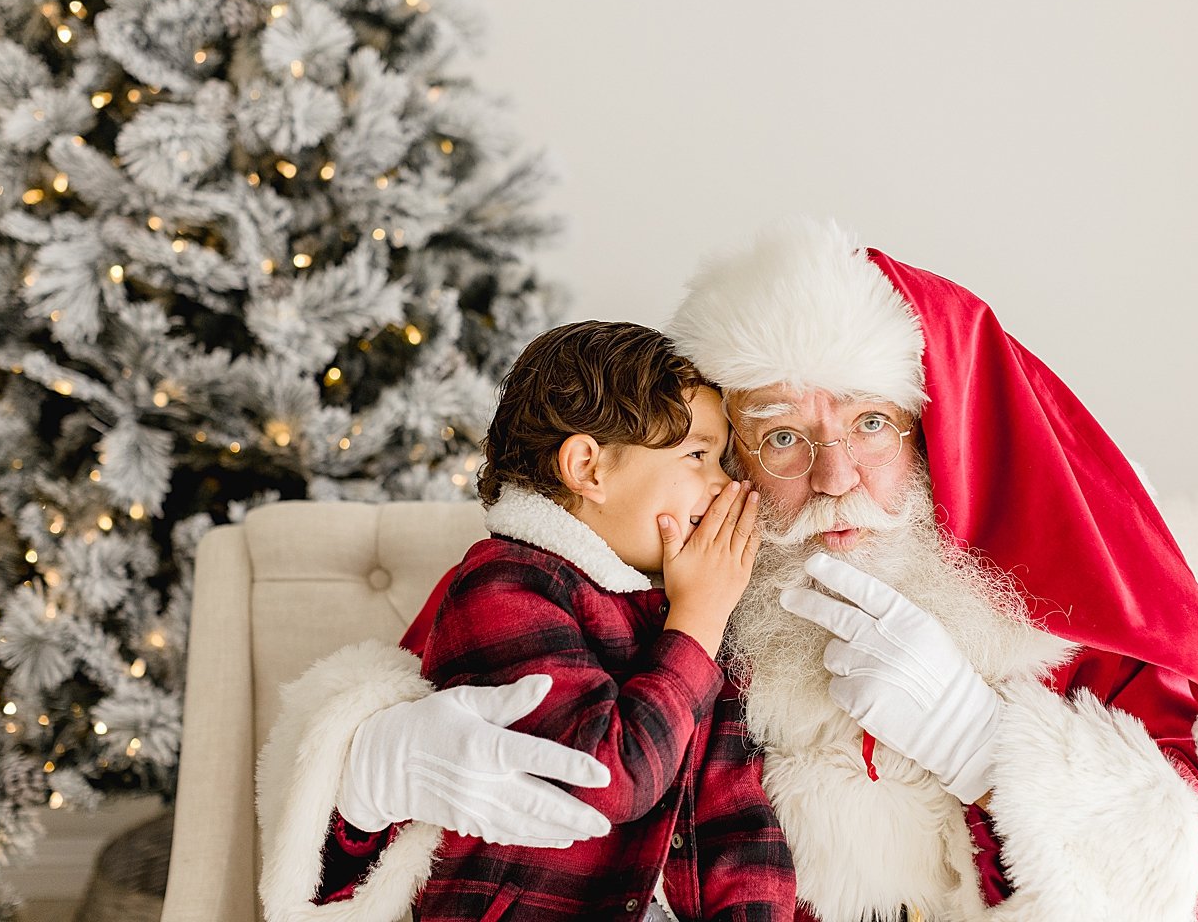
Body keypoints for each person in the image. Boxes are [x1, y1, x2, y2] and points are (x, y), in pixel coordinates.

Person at [261, 218, 1198, 922]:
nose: (839, 472)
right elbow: (433, 788)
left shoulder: (1041, 615)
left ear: (933, 433)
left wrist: (984, 745)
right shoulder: (652, 590)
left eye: (872, 422)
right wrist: (364, 775)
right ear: (724, 454)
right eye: (780, 435)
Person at [256, 321, 795, 922]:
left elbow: (738, 820)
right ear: (589, 468)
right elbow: (605, 780)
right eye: (697, 455)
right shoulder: (506, 585)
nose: (724, 484)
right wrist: (697, 623)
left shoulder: (694, 603)